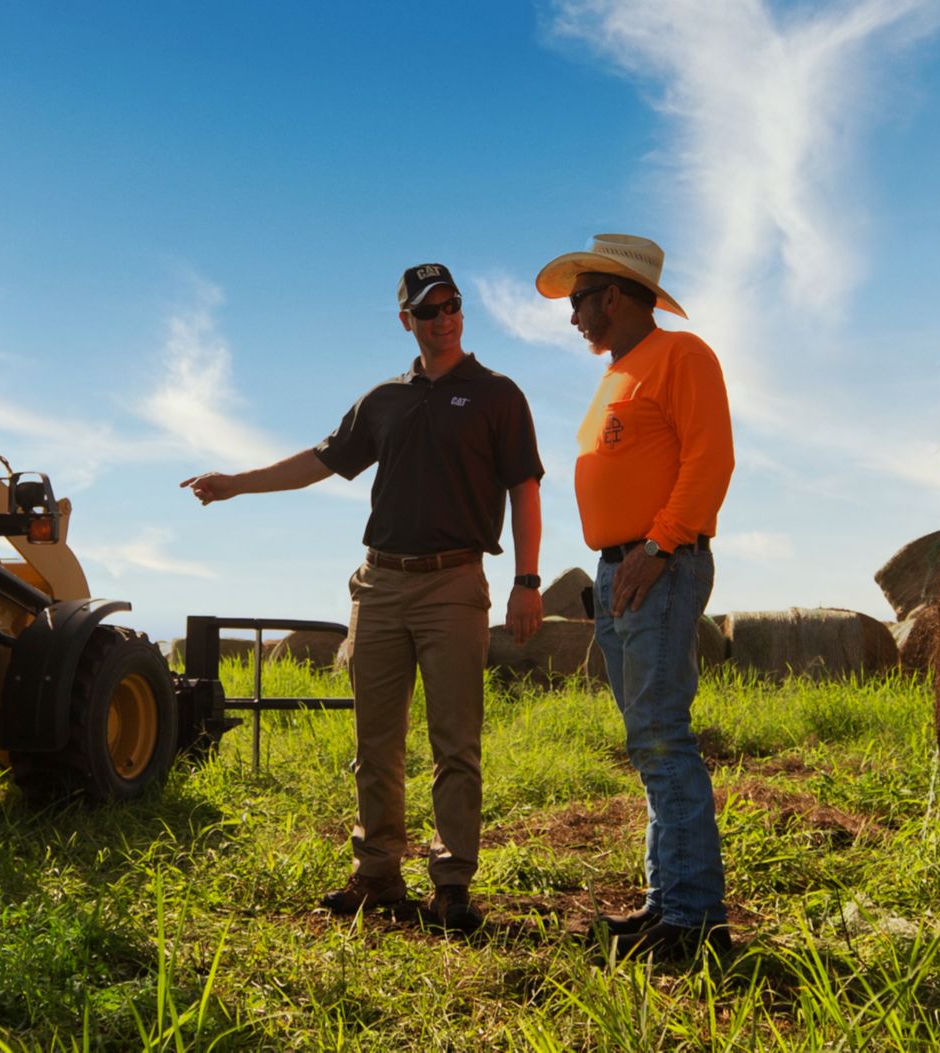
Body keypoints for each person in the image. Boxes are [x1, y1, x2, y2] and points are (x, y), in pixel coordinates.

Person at [182, 263, 545, 934]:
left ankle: (452, 883)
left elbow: (526, 488)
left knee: (455, 741)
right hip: (378, 585)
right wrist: (236, 483)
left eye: (453, 306)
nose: (444, 318)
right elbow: (319, 460)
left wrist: (528, 581)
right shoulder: (384, 399)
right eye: (429, 310)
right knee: (374, 740)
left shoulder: (497, 395)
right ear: (406, 319)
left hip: (455, 584)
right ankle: (377, 871)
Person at [535, 234, 736, 961]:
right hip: (621, 569)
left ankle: (693, 919)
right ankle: (668, 903)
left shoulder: (682, 356)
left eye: (580, 302)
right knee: (647, 739)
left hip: (659, 563)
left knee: (661, 735)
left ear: (612, 297)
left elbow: (711, 457)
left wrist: (659, 544)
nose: (574, 318)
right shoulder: (621, 371)